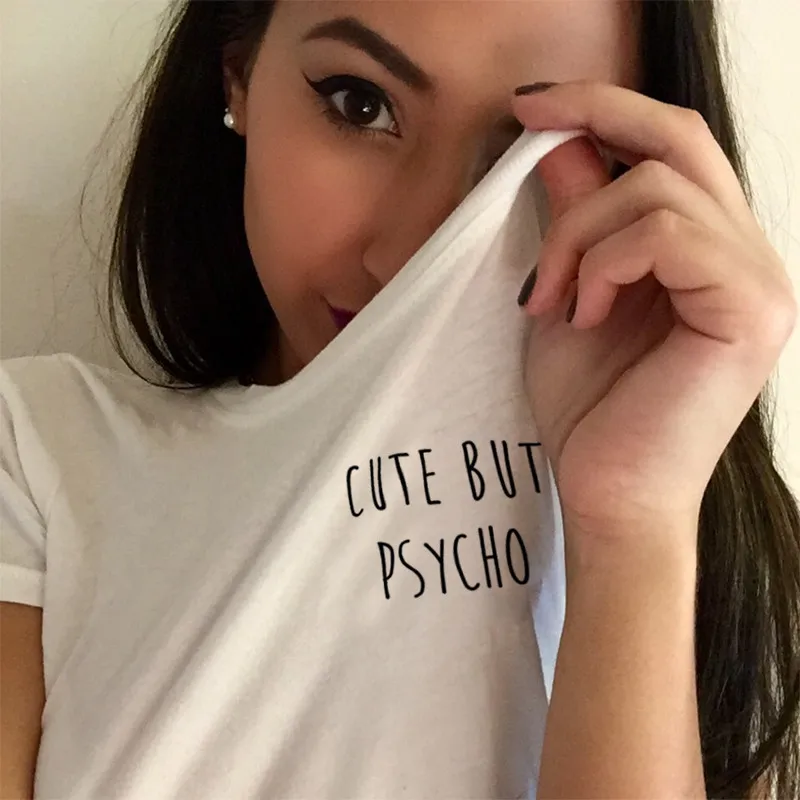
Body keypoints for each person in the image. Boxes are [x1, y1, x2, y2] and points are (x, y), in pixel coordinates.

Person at [1, 0, 799, 797]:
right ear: (237, 74)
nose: (409, 259)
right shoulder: (44, 453)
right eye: (359, 104)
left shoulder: (692, 542)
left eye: (526, 157)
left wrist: (630, 530)